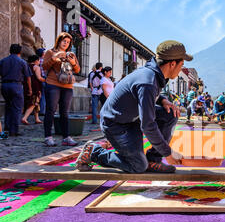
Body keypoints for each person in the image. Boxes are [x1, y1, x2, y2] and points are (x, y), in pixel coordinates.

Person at [75, 40, 192, 174]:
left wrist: (163, 100)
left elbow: (145, 95)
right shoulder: (148, 81)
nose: (180, 69)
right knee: (138, 166)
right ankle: (95, 152)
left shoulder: (154, 75)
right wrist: (168, 153)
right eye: (181, 65)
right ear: (172, 64)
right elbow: (148, 124)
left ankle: (153, 160)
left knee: (170, 113)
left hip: (131, 119)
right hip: (115, 124)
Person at [42, 32, 80, 147]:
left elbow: (77, 70)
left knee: (65, 113)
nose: (66, 43)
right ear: (59, 41)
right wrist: (54, 58)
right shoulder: (50, 52)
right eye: (64, 41)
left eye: (68, 42)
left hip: (67, 86)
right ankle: (48, 137)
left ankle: (66, 137)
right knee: (51, 111)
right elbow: (44, 67)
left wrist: (73, 62)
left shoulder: (71, 54)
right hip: (53, 84)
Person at [0, 44, 32, 137]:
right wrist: (29, 89)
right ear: (20, 52)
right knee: (17, 108)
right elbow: (28, 77)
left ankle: (7, 126)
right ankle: (14, 130)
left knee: (8, 106)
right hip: (16, 85)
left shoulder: (3, 61)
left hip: (5, 85)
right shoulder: (22, 62)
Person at [22, 55, 45, 125]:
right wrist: (46, 80)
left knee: (36, 103)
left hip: (27, 86)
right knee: (34, 103)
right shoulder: (36, 67)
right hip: (35, 86)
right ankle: (24, 118)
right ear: (36, 61)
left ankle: (37, 118)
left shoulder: (26, 66)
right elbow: (39, 78)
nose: (39, 62)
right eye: (38, 61)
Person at [36, 48, 46, 116]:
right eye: (44, 52)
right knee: (44, 96)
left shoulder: (38, 60)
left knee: (41, 95)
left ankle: (40, 110)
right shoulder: (44, 60)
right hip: (45, 79)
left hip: (39, 78)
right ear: (42, 53)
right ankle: (43, 111)